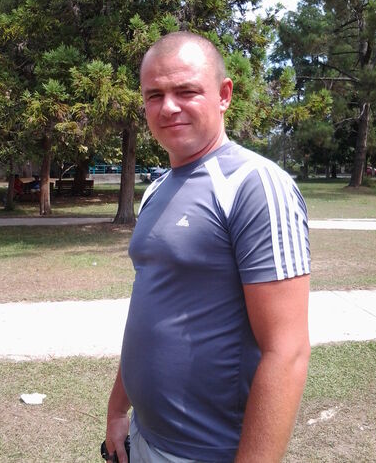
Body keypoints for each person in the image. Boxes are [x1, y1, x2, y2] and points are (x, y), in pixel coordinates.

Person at [105, 32, 311, 463]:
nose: (168, 107)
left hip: (208, 451)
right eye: (154, 95)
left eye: (186, 91)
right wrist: (118, 410)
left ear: (224, 95)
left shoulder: (254, 184)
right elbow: (150, 308)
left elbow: (287, 352)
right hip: (143, 437)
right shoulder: (157, 189)